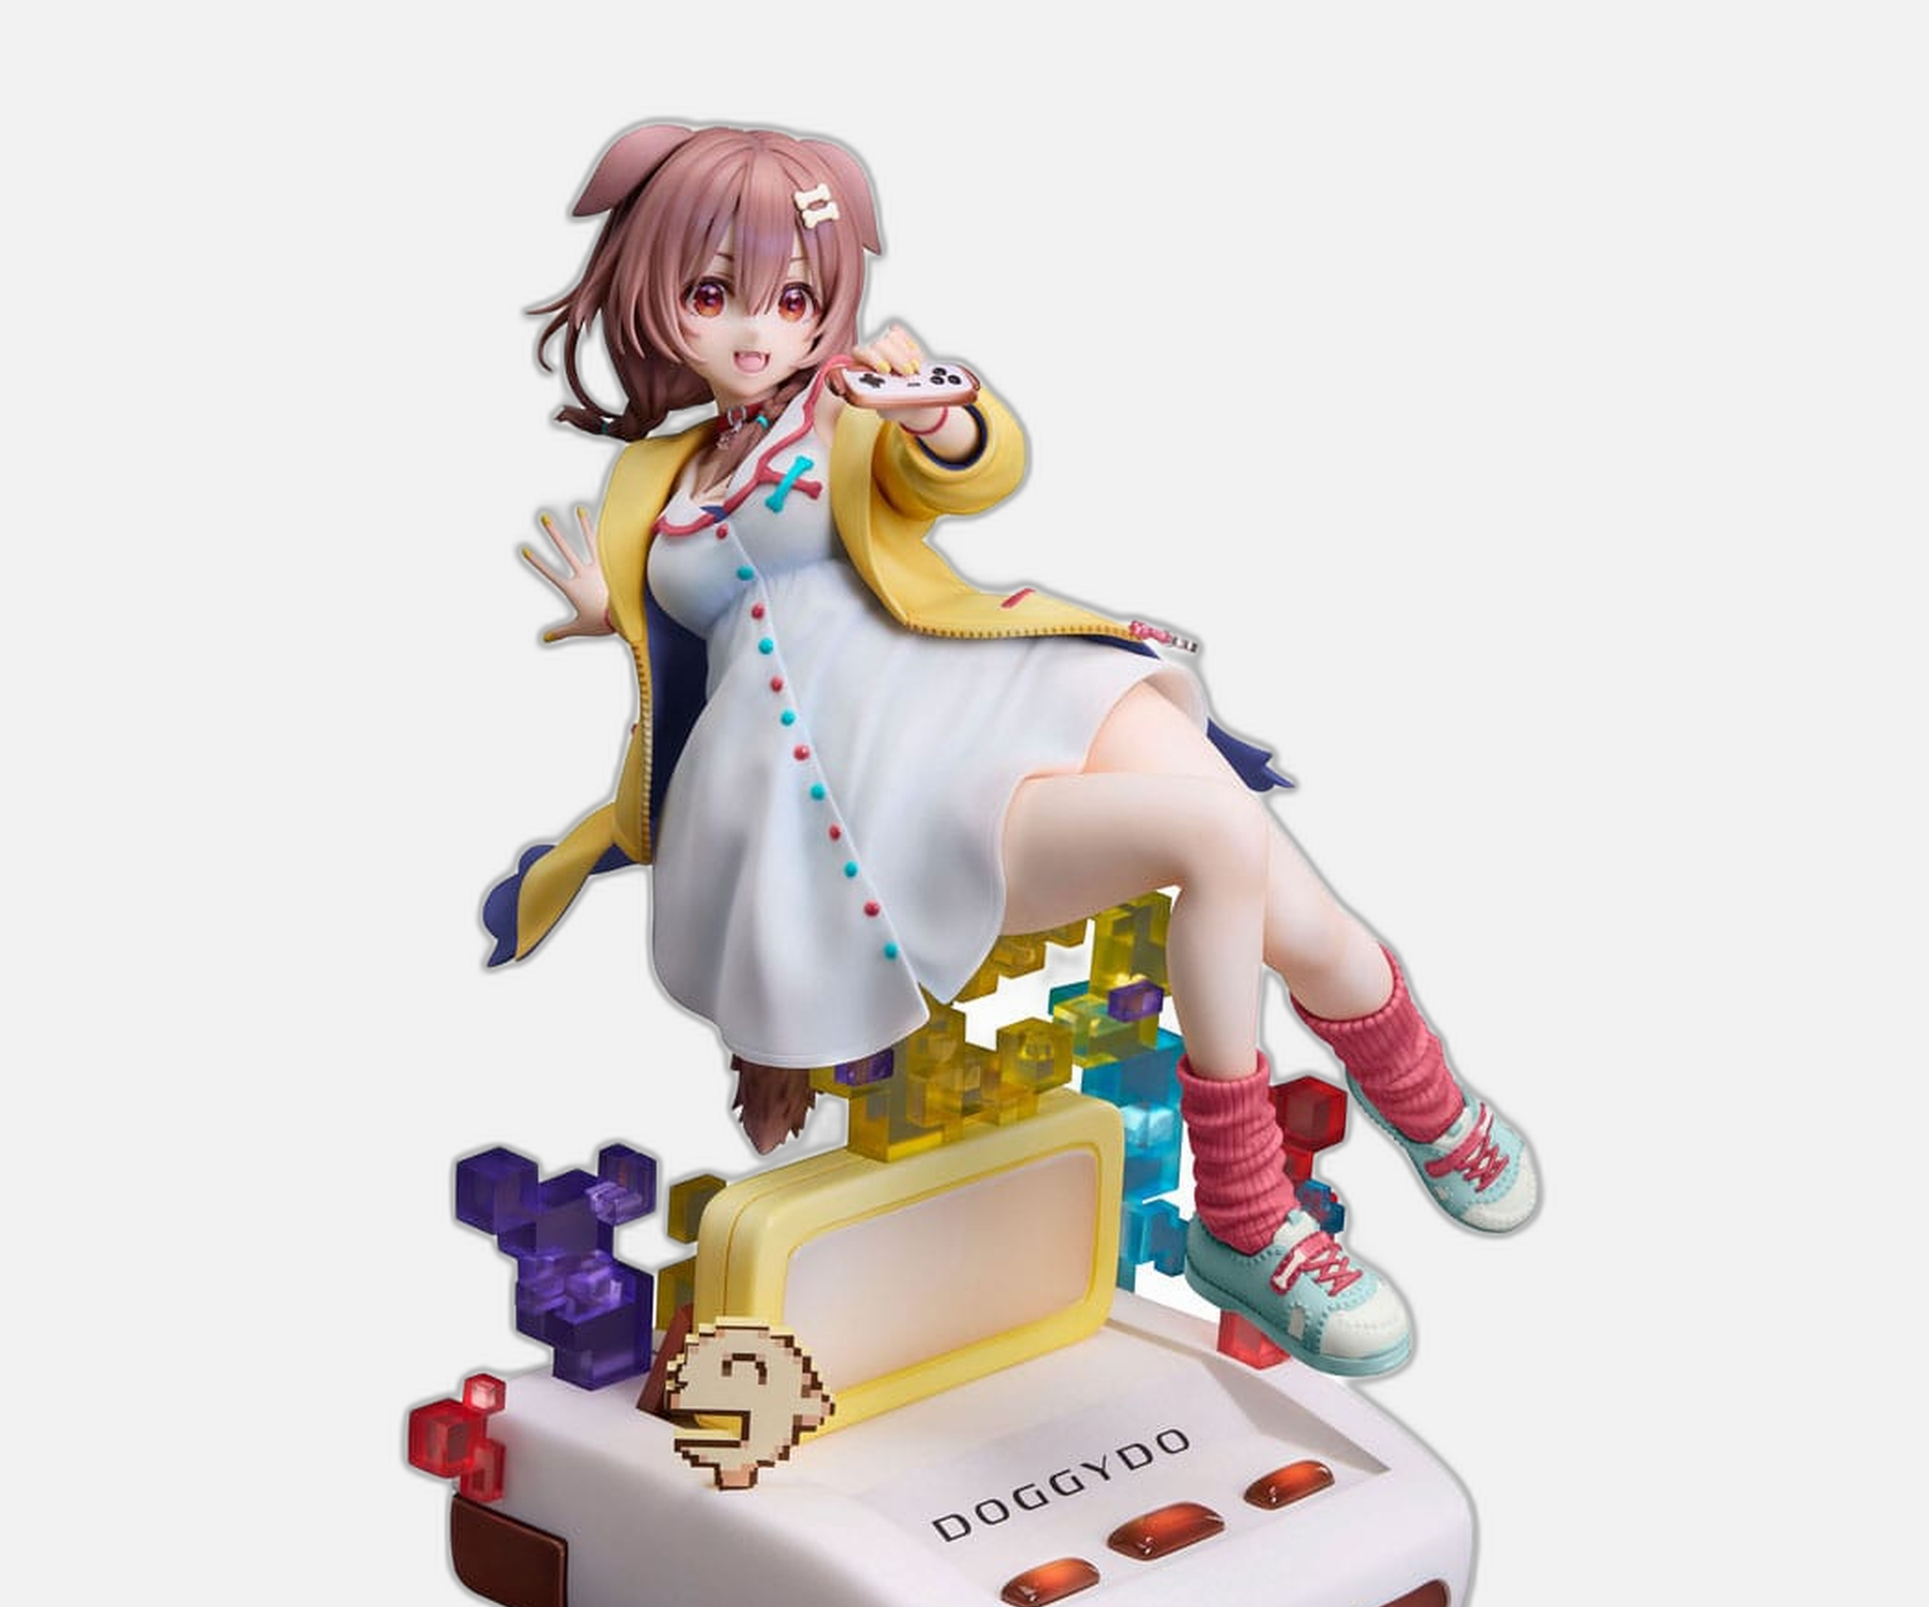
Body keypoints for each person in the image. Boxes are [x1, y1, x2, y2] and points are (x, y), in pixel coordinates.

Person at [486, 122, 1537, 1378]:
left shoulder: (846, 405)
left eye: (792, 299)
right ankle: (1245, 1216)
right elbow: (674, 660)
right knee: (1216, 839)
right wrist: (613, 613)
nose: (756, 330)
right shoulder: (652, 482)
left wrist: (942, 416)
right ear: (657, 295)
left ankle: (1427, 1102)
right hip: (873, 792)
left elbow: (967, 471)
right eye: (714, 296)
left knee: (1289, 901)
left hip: (998, 682)